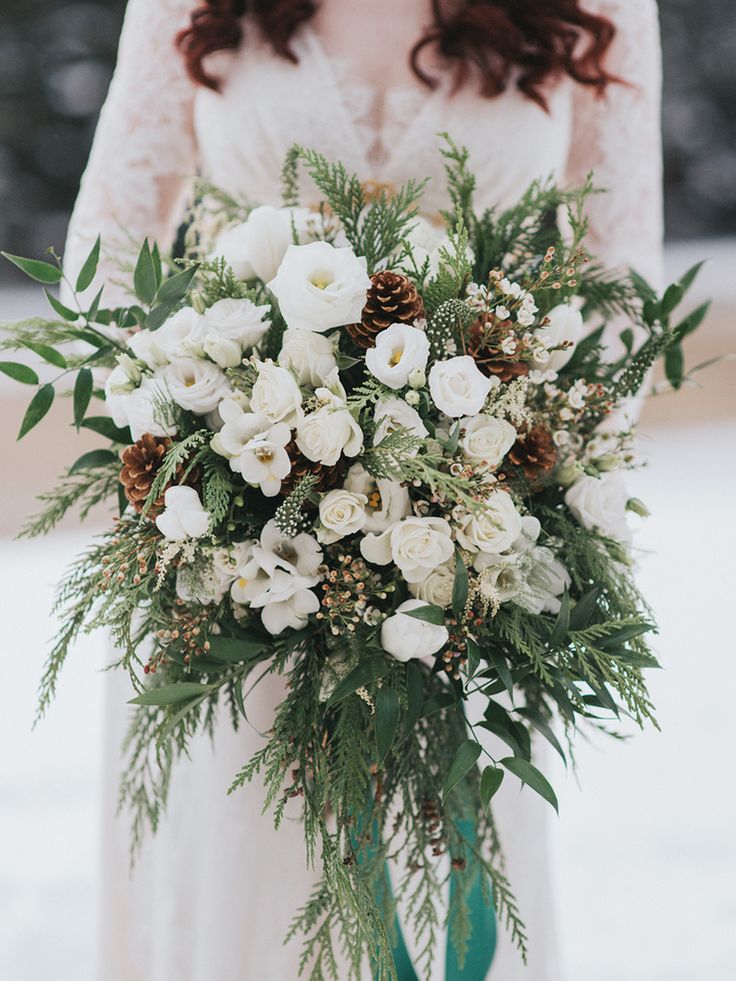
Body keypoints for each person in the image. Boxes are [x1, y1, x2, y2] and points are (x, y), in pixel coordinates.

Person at [63, 1, 663, 978]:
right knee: (240, 885)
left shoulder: (603, 9)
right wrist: (199, 419)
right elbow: (110, 259)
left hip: (462, 567)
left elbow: (620, 287)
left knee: (444, 893)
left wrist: (514, 466)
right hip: (233, 559)